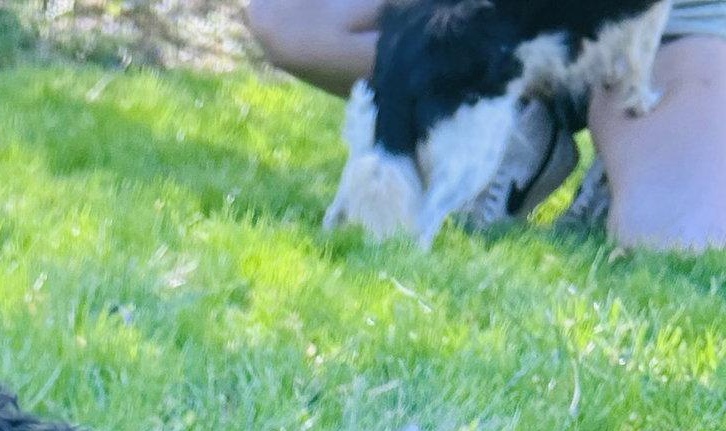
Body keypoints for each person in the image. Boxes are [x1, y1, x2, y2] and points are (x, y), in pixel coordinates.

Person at [247, 0, 726, 252]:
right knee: (289, 18)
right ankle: (521, 112)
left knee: (682, 238)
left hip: (680, 28)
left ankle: (623, 171)